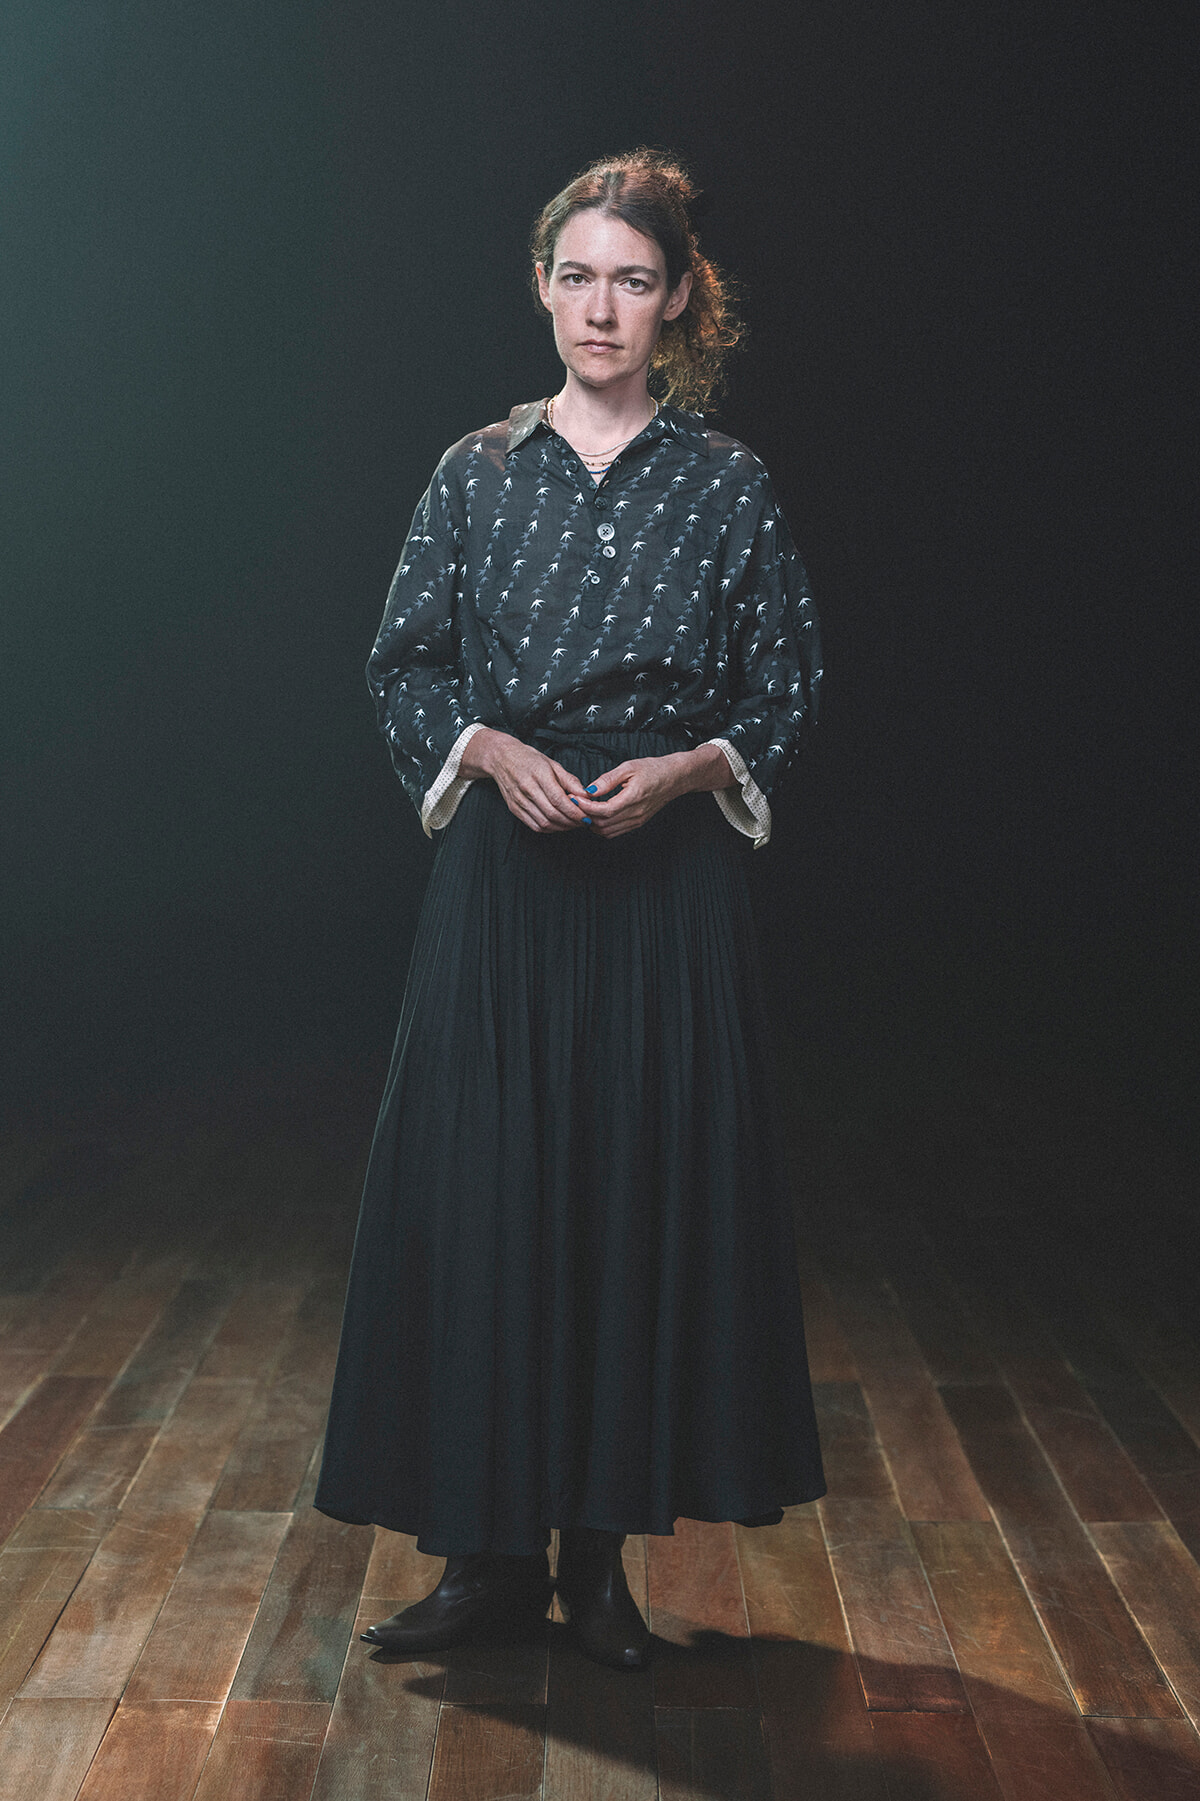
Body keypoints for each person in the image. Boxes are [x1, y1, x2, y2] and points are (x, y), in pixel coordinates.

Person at [314, 148, 825, 1671]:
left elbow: (787, 681)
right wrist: (485, 749)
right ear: (542, 288)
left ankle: (598, 1570)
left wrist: (688, 771)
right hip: (505, 886)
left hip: (660, 894)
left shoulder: (728, 486)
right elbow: (404, 663)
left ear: (679, 303)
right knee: (488, 1203)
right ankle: (482, 1563)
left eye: (634, 279)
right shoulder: (475, 470)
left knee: (626, 1203)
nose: (603, 306)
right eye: (578, 276)